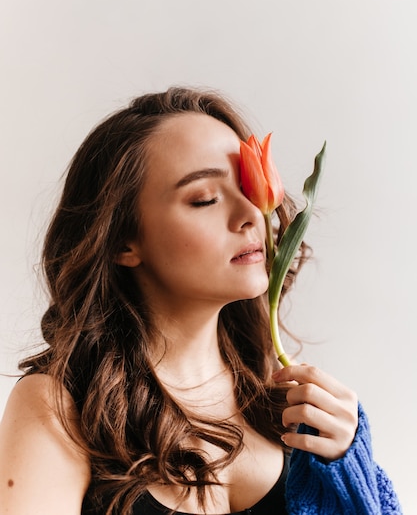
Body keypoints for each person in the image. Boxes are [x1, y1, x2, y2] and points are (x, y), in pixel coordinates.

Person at [0, 87, 401, 514]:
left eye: (249, 186)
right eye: (205, 198)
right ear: (122, 241)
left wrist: (348, 472)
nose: (250, 212)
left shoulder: (285, 406)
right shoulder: (61, 408)